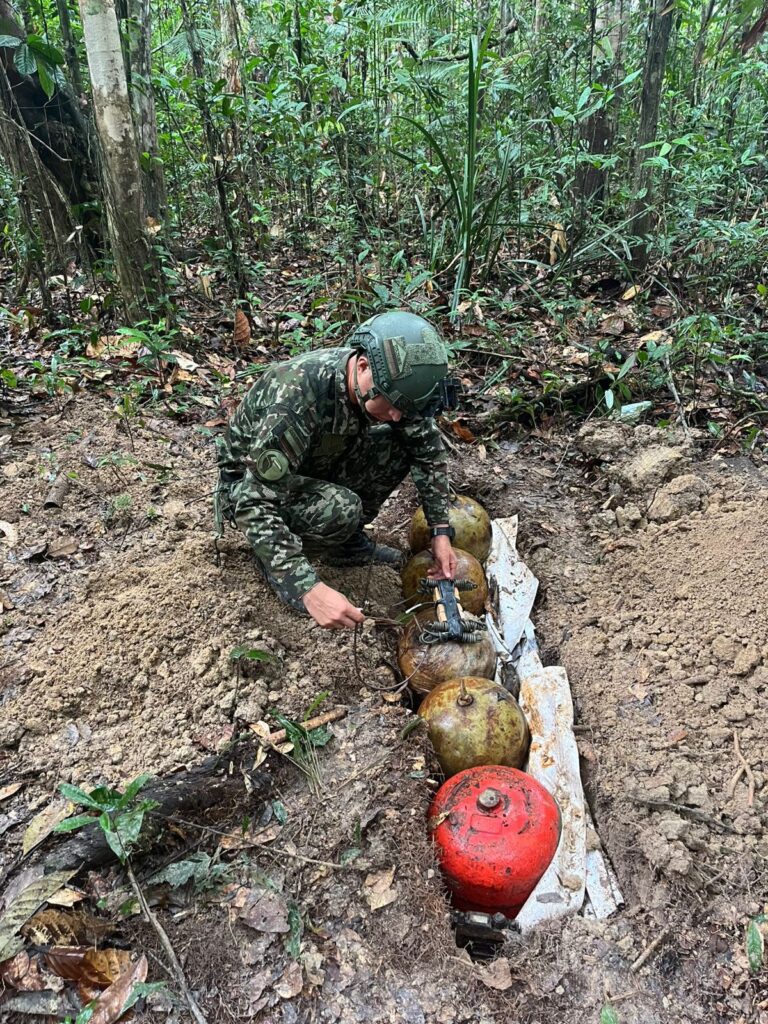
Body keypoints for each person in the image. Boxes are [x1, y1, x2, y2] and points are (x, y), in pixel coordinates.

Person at [214, 310, 459, 629]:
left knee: (400, 444)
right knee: (342, 507)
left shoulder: (392, 388)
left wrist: (440, 531)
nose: (398, 416)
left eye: (405, 409)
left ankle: (344, 544)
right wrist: (308, 588)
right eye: (393, 405)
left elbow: (427, 451)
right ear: (363, 367)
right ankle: (278, 562)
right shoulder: (297, 398)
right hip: (249, 488)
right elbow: (253, 501)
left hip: (311, 462)